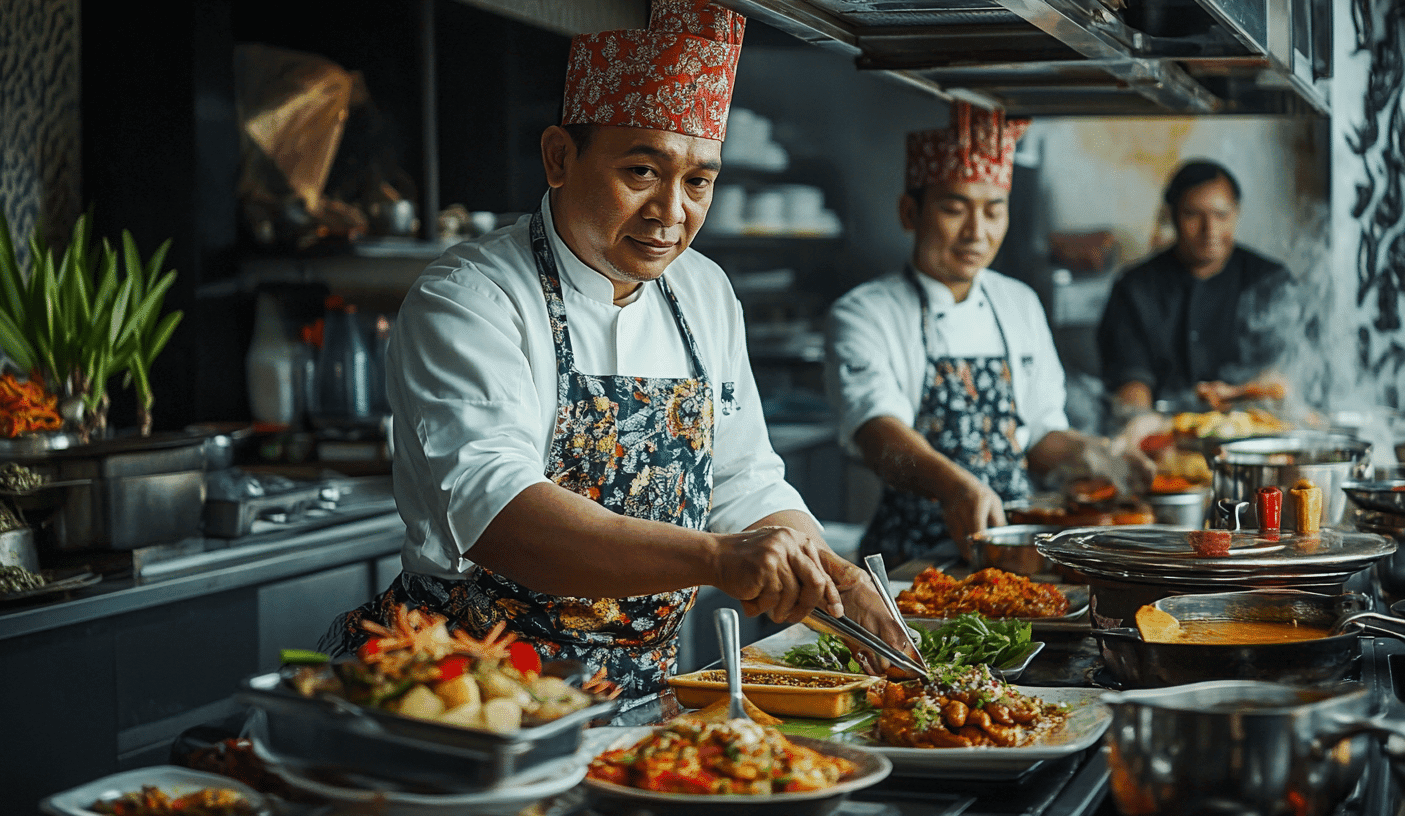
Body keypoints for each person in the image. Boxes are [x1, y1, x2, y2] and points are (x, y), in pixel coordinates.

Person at [325, 0, 910, 700]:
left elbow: (743, 479)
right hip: (472, 690)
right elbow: (501, 515)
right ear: (559, 158)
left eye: (698, 182)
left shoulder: (704, 291)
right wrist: (717, 557)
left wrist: (835, 577)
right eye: (641, 172)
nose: (671, 213)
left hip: (641, 690)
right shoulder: (471, 298)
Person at [825, 104, 1148, 567]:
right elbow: (880, 438)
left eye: (994, 211)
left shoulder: (1019, 303)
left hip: (1014, 546)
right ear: (910, 212)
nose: (976, 232)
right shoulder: (864, 313)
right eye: (954, 209)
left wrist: (1097, 453)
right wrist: (955, 487)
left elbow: (1037, 436)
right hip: (913, 558)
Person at [1097, 160, 1296, 416]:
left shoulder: (1271, 281)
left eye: (1221, 215)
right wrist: (1138, 419)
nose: (1209, 230)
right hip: (1163, 426)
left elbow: (1287, 371)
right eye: (1192, 215)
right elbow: (1130, 380)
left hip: (1255, 424)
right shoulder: (1135, 287)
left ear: (1236, 213)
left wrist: (1243, 393)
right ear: (1171, 215)